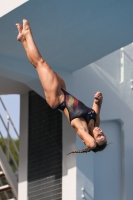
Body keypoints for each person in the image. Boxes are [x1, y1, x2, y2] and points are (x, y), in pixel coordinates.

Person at [16, 19, 107, 154]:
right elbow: (97, 105)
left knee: (41, 63)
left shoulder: (81, 128)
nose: (100, 132)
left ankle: (27, 34)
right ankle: (23, 40)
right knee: (40, 65)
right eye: (103, 134)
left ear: (91, 140)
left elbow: (91, 143)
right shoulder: (95, 121)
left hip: (56, 98)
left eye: (99, 136)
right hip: (63, 90)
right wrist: (98, 99)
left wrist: (92, 145)